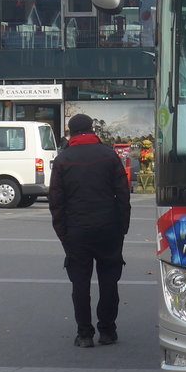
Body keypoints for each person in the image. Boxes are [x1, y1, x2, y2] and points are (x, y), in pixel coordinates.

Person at [48, 113, 131, 348]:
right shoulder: (108, 155)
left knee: (80, 284)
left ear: (71, 132)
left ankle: (84, 334)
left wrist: (63, 233)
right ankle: (107, 330)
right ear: (92, 129)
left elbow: (56, 201)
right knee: (109, 281)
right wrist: (122, 226)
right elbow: (122, 195)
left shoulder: (63, 159)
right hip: (108, 228)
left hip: (76, 230)